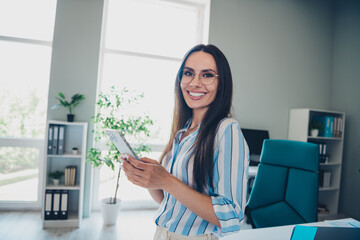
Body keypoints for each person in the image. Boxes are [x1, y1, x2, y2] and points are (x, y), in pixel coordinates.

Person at [121, 44, 249, 240]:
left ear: (221, 84)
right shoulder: (183, 131)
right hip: (163, 233)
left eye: (207, 75)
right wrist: (150, 179)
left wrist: (166, 180)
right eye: (188, 73)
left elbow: (231, 217)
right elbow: (167, 200)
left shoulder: (227, 130)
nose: (195, 83)